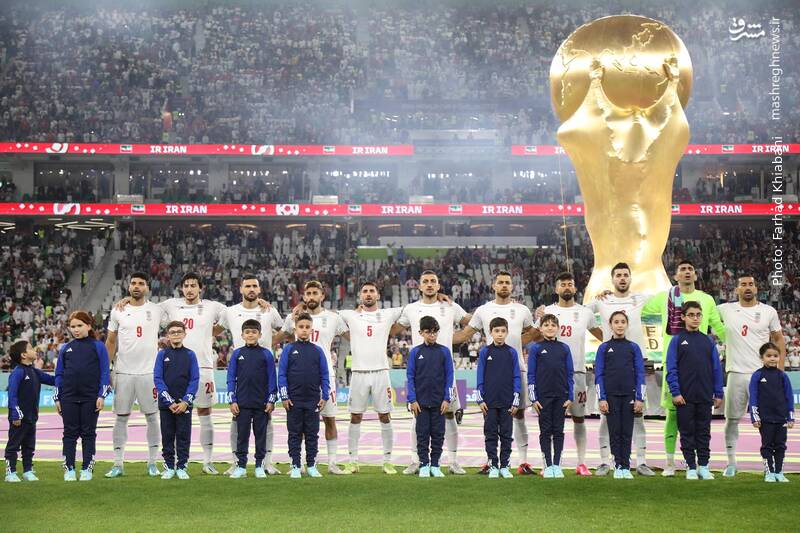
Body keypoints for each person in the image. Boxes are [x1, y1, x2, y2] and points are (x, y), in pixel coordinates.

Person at [642, 260, 725, 476]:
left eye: (690, 269)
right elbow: (639, 308)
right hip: (674, 366)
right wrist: (609, 295)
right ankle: (670, 463)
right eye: (683, 270)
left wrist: (739, 345)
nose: (687, 272)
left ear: (695, 275)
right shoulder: (664, 297)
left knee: (701, 423)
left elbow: (718, 327)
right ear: (675, 276)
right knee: (672, 415)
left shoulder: (706, 299)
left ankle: (700, 465)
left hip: (700, 367)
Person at [454, 271, 535, 474]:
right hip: (492, 373)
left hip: (517, 368)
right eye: (501, 282)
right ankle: (491, 461)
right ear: (494, 285)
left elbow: (534, 333)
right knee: (490, 417)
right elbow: (465, 334)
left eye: (508, 282)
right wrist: (441, 337)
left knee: (519, 414)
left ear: (512, 286)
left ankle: (522, 462)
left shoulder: (522, 310)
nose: (504, 285)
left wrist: (516, 344)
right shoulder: (483, 310)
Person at [397, 270, 470, 475]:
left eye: (433, 281)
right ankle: (416, 461)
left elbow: (472, 321)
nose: (429, 284)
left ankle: (453, 461)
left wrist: (460, 337)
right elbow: (393, 326)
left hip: (444, 372)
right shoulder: (411, 309)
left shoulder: (450, 306)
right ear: (419, 286)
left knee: (450, 415)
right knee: (417, 416)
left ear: (438, 286)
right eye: (426, 281)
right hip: (421, 372)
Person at [588, 262, 655, 476]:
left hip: (634, 363)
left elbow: (667, 300)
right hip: (610, 364)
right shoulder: (602, 300)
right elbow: (580, 313)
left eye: (626, 274)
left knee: (638, 416)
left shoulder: (640, 298)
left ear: (630, 278)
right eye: (618, 275)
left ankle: (641, 461)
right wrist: (544, 310)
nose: (622, 278)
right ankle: (605, 462)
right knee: (605, 418)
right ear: (612, 279)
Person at [534, 272, 602, 476]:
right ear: (556, 289)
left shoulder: (585, 312)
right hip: (550, 376)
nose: (566, 287)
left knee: (579, 418)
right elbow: (534, 335)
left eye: (570, 284)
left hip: (577, 373)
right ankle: (548, 463)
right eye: (562, 284)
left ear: (575, 288)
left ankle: (581, 463)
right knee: (549, 422)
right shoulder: (546, 312)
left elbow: (601, 334)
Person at [717, 275, 785, 477]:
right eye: (743, 284)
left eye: (751, 284)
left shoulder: (768, 311)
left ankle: (770, 465)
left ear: (756, 288)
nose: (747, 287)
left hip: (762, 374)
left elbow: (779, 339)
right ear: (736, 289)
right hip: (736, 373)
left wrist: (780, 370)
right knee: (732, 419)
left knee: (769, 421)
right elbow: (701, 312)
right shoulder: (725, 309)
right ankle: (731, 463)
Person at [280, 280, 349, 474]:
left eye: (315, 293)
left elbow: (354, 336)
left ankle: (332, 463)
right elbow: (280, 336)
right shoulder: (293, 317)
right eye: (308, 293)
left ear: (322, 296)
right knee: (301, 423)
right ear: (304, 296)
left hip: (326, 376)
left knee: (329, 419)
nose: (311, 296)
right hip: (300, 380)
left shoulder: (333, 317)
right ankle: (300, 463)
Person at [217, 274, 284, 476]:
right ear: (241, 289)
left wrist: (269, 343)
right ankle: (237, 463)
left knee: (266, 422)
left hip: (262, 373)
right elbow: (214, 330)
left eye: (255, 286)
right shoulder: (230, 311)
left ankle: (265, 463)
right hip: (242, 374)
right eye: (248, 286)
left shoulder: (269, 310)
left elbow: (285, 331)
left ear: (260, 289)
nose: (251, 289)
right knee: (238, 424)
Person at [338, 282, 404, 474]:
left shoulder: (387, 314)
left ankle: (387, 461)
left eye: (371, 291)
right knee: (355, 416)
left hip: (381, 372)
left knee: (385, 416)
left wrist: (440, 297)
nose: (368, 294)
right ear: (360, 296)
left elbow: (413, 308)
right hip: (358, 373)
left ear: (378, 295)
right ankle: (353, 461)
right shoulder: (350, 315)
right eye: (365, 291)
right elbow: (326, 314)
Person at [105, 272, 164, 478]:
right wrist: (106, 370)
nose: (137, 286)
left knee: (152, 417)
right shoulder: (118, 310)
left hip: (149, 372)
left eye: (141, 283)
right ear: (128, 286)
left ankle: (153, 463)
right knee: (121, 418)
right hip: (123, 372)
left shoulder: (157, 310)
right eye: (133, 283)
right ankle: (118, 464)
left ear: (147, 287)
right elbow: (111, 341)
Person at [665, 301, 724, 480]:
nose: (695, 318)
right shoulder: (676, 340)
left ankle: (703, 466)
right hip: (684, 397)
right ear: (683, 317)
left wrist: (718, 393)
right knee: (687, 433)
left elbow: (716, 368)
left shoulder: (708, 341)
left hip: (705, 396)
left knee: (704, 432)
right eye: (691, 315)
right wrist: (676, 392)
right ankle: (690, 466)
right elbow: (671, 368)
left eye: (698, 315)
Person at [54, 311, 111, 482]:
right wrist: (57, 397)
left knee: (88, 433)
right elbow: (59, 374)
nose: (76, 329)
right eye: (73, 326)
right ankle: (69, 469)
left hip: (90, 398)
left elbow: (105, 372)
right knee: (69, 434)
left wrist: (101, 395)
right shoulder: (65, 348)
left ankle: (87, 468)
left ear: (89, 326)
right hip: (68, 397)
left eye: (80, 325)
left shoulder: (98, 346)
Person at [594, 311, 646, 479]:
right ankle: (617, 465)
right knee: (615, 432)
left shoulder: (633, 347)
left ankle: (626, 466)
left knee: (627, 432)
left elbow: (640, 374)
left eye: (623, 321)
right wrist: (602, 398)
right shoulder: (603, 348)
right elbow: (599, 375)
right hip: (611, 397)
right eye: (616, 322)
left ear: (627, 325)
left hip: (629, 396)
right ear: (610, 325)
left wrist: (640, 398)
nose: (620, 325)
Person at [279, 313, 330, 479]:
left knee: (312, 434)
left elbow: (324, 374)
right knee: (294, 434)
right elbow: (282, 374)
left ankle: (311, 465)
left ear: (311, 330)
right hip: (293, 400)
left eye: (307, 327)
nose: (304, 330)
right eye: (301, 327)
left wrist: (325, 395)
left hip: (313, 400)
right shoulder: (288, 349)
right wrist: (284, 397)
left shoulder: (318, 351)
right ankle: (295, 465)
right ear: (295, 329)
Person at [227, 319, 277, 479]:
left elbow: (272, 379)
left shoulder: (266, 354)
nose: (250, 335)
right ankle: (241, 466)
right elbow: (230, 378)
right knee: (242, 436)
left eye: (254, 332)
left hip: (261, 404)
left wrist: (271, 400)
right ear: (242, 335)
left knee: (260, 436)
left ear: (260, 335)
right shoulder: (237, 354)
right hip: (242, 404)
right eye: (247, 332)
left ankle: (259, 465)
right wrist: (232, 400)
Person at [406, 316, 454, 478]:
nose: (432, 335)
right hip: (420, 403)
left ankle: (435, 465)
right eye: (428, 332)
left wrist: (447, 399)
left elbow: (450, 376)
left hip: (439, 402)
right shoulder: (415, 352)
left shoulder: (444, 351)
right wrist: (412, 400)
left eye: (435, 332)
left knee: (438, 435)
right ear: (421, 333)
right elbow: (410, 377)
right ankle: (424, 464)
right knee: (422, 435)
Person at [527, 314, 574, 479]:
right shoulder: (536, 348)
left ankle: (557, 465)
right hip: (543, 398)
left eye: (553, 325)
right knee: (545, 431)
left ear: (558, 328)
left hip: (561, 396)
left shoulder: (564, 348)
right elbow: (531, 375)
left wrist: (570, 396)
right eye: (546, 325)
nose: (550, 327)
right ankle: (547, 465)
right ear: (540, 329)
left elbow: (570, 374)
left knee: (559, 431)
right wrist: (533, 398)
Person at [476, 317, 521, 479]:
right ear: (491, 333)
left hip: (507, 401)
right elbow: (480, 376)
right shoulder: (485, 352)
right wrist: (480, 399)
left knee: (506, 435)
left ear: (507, 332)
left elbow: (516, 376)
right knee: (490, 434)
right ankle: (493, 465)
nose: (500, 334)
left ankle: (505, 465)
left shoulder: (512, 352)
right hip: (489, 402)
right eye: (497, 331)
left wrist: (516, 398)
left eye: (503, 331)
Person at [4, 340, 56, 482]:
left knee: (29, 446)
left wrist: (68, 375)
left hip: (32, 417)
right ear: (24, 355)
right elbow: (12, 394)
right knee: (14, 445)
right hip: (19, 418)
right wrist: (15, 413)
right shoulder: (17, 372)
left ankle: (27, 470)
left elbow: (53, 380)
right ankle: (10, 472)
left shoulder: (34, 371)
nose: (35, 350)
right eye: (31, 348)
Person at [154, 321, 199, 480]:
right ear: (168, 335)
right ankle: (168, 466)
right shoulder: (162, 355)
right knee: (167, 436)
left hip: (184, 405)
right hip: (167, 405)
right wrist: (170, 402)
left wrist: (186, 401)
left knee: (183, 436)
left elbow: (194, 380)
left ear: (184, 334)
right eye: (172, 332)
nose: (176, 334)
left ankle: (182, 467)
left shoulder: (190, 355)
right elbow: (158, 379)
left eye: (179, 331)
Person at [748, 342, 794, 483]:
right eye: (768, 356)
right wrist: (755, 417)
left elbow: (789, 397)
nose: (772, 358)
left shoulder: (783, 376)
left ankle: (779, 472)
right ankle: (769, 472)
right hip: (765, 419)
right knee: (767, 445)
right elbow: (753, 397)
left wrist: (790, 417)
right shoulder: (757, 375)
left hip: (781, 418)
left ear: (779, 357)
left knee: (780, 445)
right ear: (762, 357)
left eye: (775, 356)